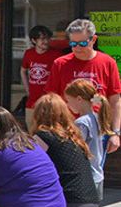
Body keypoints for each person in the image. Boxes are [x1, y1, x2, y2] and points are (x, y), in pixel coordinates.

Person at [50, 80, 111, 207]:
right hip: (98, 175)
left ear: (79, 99)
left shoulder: (82, 123)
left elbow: (76, 150)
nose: (68, 106)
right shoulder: (97, 117)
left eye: (69, 101)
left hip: (87, 178)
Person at [47, 18, 121, 153]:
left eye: (82, 43)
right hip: (66, 130)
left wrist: (115, 132)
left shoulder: (107, 62)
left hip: (98, 130)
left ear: (93, 40)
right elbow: (52, 100)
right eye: (73, 43)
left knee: (94, 173)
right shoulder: (60, 64)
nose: (77, 48)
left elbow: (115, 100)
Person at [21, 25, 63, 131]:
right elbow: (23, 71)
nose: (46, 41)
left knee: (48, 131)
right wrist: (27, 89)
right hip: (32, 101)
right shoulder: (29, 53)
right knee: (31, 131)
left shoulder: (56, 55)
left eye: (47, 38)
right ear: (34, 40)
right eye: (42, 39)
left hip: (49, 101)